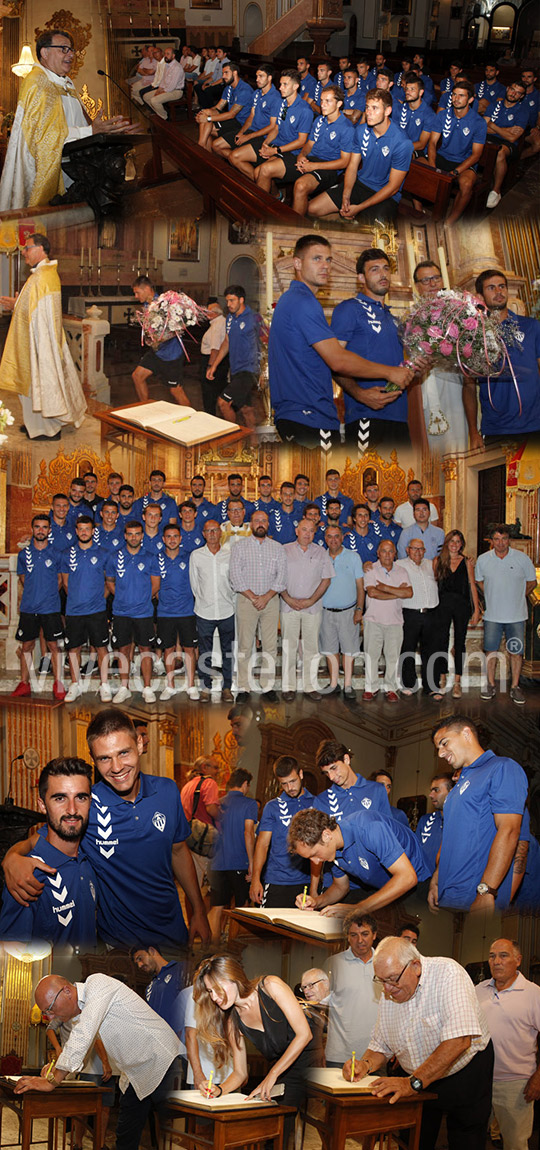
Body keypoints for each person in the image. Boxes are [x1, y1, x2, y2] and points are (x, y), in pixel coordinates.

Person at [3, 708, 211, 948]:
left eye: (124, 753)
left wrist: (197, 910)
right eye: (104, 758)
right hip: (118, 944)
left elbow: (178, 850)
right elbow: (43, 838)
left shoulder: (167, 790)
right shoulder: (86, 803)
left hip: (173, 932)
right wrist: (12, 858)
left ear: (140, 744)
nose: (116, 767)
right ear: (94, 759)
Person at [344, 936, 493, 1150]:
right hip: (417, 1078)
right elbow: (380, 1045)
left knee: (465, 1140)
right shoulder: (390, 993)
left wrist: (412, 1083)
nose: (387, 989)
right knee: (413, 1139)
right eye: (381, 981)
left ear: (415, 966)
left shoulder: (448, 974)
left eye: (393, 979)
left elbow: (460, 1039)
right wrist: (364, 1064)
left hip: (465, 1072)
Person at [268, 234, 411, 449]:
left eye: (328, 260)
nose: (325, 266)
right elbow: (337, 360)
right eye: (316, 259)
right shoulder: (304, 302)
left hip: (308, 415)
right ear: (297, 263)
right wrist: (388, 373)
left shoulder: (296, 300)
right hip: (308, 414)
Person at [14, 972, 182, 1150]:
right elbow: (81, 1047)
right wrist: (55, 1067)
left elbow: (83, 1035)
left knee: (171, 1137)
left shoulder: (97, 983)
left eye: (50, 1009)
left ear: (67, 991)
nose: (50, 1017)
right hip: (134, 1074)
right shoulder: (79, 1015)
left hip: (163, 1060)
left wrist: (51, 1081)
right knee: (125, 1138)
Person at [0, 29, 135, 210]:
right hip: (51, 169)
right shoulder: (37, 82)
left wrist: (114, 132)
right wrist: (91, 131)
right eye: (63, 49)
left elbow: (87, 122)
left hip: (76, 165)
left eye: (71, 50)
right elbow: (43, 135)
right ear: (44, 53)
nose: (70, 54)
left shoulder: (66, 83)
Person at [193, 953, 317, 1143]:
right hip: (283, 1071)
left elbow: (304, 1034)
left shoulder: (270, 986)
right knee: (267, 1134)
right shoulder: (232, 1022)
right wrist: (218, 1089)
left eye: (217, 989)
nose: (215, 997)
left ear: (233, 977)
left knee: (277, 1130)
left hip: (310, 1061)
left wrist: (272, 1075)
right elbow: (240, 1073)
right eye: (210, 992)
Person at [429, 714, 528, 912]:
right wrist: (437, 880)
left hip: (475, 895)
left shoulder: (502, 768)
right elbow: (451, 839)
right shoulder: (457, 788)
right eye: (438, 748)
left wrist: (487, 891)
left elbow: (509, 831)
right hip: (449, 895)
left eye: (444, 743)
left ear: (466, 733)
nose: (440, 753)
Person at [0, 757, 96, 947]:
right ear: (42, 805)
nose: (72, 810)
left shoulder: (90, 856)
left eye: (81, 797)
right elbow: (11, 955)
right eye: (60, 798)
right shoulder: (28, 876)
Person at [0, 234, 87, 440]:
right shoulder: (44, 274)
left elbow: (37, 310)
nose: (24, 252)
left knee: (38, 384)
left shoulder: (42, 277)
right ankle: (36, 425)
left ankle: (46, 430)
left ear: (40, 249)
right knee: (33, 386)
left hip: (39, 343)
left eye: (27, 248)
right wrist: (18, 302)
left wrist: (17, 304)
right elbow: (34, 306)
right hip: (39, 339)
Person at [331, 248, 416, 451]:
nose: (383, 274)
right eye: (374, 269)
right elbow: (333, 361)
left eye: (386, 268)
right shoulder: (349, 309)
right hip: (365, 415)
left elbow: (402, 369)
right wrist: (359, 393)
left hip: (399, 417)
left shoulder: (395, 319)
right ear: (361, 277)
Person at [288, 807, 429, 917]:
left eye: (315, 855)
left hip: (419, 887)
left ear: (326, 835)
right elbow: (340, 887)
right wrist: (316, 901)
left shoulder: (369, 828)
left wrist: (359, 908)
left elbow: (407, 878)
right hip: (386, 889)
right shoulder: (332, 849)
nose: (316, 862)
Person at [308, 89, 414, 222]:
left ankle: (352, 222)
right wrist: (346, 197)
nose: (368, 113)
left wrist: (359, 208)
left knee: (375, 236)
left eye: (374, 108)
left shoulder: (402, 142)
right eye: (367, 108)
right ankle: (348, 221)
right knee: (312, 209)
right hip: (361, 184)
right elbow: (352, 166)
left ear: (387, 111)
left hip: (385, 194)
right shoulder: (361, 131)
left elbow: (393, 188)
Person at [476, 938, 540, 1150]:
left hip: (516, 1085)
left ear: (518, 960)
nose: (496, 961)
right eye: (492, 956)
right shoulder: (478, 991)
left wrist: (538, 1078)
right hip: (479, 1082)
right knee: (472, 1138)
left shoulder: (534, 994)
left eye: (504, 956)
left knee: (515, 1144)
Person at [464, 269, 540, 438]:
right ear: (480, 297)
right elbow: (468, 385)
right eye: (491, 288)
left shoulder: (531, 326)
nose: (499, 292)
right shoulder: (474, 335)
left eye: (502, 286)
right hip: (496, 428)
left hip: (535, 424)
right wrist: (473, 432)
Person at [412, 261, 477, 450]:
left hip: (454, 385)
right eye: (425, 280)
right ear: (416, 286)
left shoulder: (460, 313)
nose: (432, 283)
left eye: (436, 278)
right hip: (425, 387)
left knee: (458, 444)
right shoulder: (410, 319)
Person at [475, 523, 537, 704]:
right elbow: (479, 582)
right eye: (496, 539)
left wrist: (518, 595)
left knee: (516, 653)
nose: (500, 543)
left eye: (504, 539)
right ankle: (490, 685)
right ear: (491, 541)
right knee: (490, 651)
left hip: (516, 616)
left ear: (509, 540)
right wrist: (492, 594)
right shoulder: (483, 560)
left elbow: (532, 582)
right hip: (493, 616)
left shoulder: (522, 559)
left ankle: (515, 686)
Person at [229, 509, 287, 703]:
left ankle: (267, 686)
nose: (260, 523)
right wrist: (254, 597)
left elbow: (282, 576)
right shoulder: (239, 547)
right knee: (245, 645)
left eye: (264, 521)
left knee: (270, 645)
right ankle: (244, 687)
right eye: (256, 521)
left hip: (270, 601)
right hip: (247, 601)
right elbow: (235, 576)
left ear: (268, 524)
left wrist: (267, 596)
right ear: (251, 524)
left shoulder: (278, 547)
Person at [105, 520, 160, 704]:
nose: (134, 537)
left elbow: (156, 584)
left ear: (142, 535)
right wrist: (122, 596)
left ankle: (147, 687)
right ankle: (124, 688)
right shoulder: (115, 557)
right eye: (130, 534)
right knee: (124, 649)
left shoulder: (151, 557)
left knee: (145, 650)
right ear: (125, 535)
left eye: (137, 534)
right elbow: (110, 581)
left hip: (143, 612)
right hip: (121, 612)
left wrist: (141, 599)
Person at [12, 515, 65, 701]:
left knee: (54, 646)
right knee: (27, 645)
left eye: (44, 527)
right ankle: (24, 683)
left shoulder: (57, 554)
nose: (41, 530)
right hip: (29, 607)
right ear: (32, 529)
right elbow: (23, 579)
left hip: (50, 607)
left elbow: (60, 579)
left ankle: (58, 684)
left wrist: (48, 594)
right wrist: (35, 593)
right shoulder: (23, 555)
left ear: (49, 530)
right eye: (37, 527)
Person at [280, 519, 335, 701]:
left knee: (312, 647)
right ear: (297, 531)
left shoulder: (321, 552)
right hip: (289, 606)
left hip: (313, 607)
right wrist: (288, 598)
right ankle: (288, 687)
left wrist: (311, 600)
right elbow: (277, 578)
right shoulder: (284, 550)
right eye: (304, 530)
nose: (307, 534)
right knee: (290, 646)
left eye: (311, 531)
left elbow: (326, 579)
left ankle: (310, 686)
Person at [249, 756, 313, 908]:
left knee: (300, 930)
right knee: (270, 930)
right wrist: (255, 879)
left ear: (301, 774)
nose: (290, 788)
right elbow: (262, 845)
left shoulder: (316, 803)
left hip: (305, 882)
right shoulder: (272, 807)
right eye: (284, 784)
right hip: (275, 880)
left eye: (293, 781)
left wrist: (315, 888)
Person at [60, 516, 110, 703]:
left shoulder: (103, 553)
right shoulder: (67, 554)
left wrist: (98, 599)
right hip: (74, 611)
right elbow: (65, 583)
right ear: (76, 531)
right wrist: (77, 599)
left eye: (87, 529)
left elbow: (109, 581)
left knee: (101, 647)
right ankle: (75, 684)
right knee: (74, 649)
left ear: (92, 531)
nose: (83, 532)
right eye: (80, 529)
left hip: (97, 609)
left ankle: (104, 685)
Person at [426, 79, 487, 225]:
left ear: (470, 99)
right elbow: (432, 142)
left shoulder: (478, 122)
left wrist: (456, 171)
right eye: (454, 95)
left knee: (466, 184)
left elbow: (476, 154)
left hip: (463, 161)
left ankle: (449, 222)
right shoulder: (442, 115)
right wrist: (432, 166)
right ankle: (418, 211)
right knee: (416, 167)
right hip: (443, 156)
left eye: (461, 95)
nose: (456, 99)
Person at [324, 912, 381, 1068]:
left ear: (374, 935)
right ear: (347, 937)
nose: (360, 940)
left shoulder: (385, 963)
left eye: (365, 934)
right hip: (339, 1055)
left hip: (376, 1056)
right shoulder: (332, 963)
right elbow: (319, 1004)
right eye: (354, 935)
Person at [207, 768, 258, 942]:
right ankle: (233, 942)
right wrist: (252, 863)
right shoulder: (249, 804)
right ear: (245, 784)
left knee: (217, 906)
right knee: (241, 904)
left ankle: (212, 945)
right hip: (239, 861)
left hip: (216, 862)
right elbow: (248, 833)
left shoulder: (218, 803)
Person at [431, 530, 481, 699]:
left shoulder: (467, 562)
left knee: (460, 642)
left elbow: (472, 586)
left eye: (458, 541)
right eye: (452, 541)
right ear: (447, 543)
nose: (454, 544)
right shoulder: (438, 561)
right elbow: (434, 585)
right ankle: (442, 676)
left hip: (462, 606)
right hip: (442, 605)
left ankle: (458, 680)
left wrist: (476, 609)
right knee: (441, 641)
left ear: (462, 544)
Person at [190, 519, 235, 703]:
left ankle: (227, 688)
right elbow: (194, 584)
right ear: (203, 533)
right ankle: (205, 688)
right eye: (208, 531)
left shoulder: (230, 554)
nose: (212, 534)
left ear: (220, 532)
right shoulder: (196, 555)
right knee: (205, 652)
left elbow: (234, 581)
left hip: (226, 610)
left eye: (215, 530)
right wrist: (203, 601)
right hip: (204, 612)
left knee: (227, 652)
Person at [291, 85, 355, 216]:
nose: (323, 105)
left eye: (328, 101)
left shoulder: (347, 128)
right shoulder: (319, 120)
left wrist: (313, 166)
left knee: (301, 185)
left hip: (328, 168)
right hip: (311, 160)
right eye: (321, 100)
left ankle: (295, 228)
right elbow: (309, 144)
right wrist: (302, 155)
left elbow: (344, 162)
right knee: (268, 168)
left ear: (339, 104)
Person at [362, 539, 412, 702]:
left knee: (393, 657)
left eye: (390, 551)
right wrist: (397, 592)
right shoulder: (370, 568)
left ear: (395, 553)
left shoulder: (402, 571)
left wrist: (383, 587)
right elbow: (372, 593)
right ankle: (371, 688)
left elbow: (409, 593)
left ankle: (391, 688)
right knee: (372, 656)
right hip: (373, 619)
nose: (387, 554)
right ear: (378, 553)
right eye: (384, 551)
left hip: (395, 621)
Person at [206, 284, 260, 427]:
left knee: (223, 402)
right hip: (236, 369)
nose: (228, 304)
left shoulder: (253, 318)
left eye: (232, 301)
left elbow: (266, 340)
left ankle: (234, 437)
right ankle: (254, 444)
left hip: (249, 370)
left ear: (241, 300)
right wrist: (214, 366)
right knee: (246, 409)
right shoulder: (229, 318)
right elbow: (226, 342)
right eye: (227, 301)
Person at [131, 276, 190, 406]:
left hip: (171, 355)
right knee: (137, 376)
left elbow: (177, 329)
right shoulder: (147, 305)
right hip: (157, 352)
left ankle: (192, 418)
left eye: (137, 292)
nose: (136, 296)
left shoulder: (164, 304)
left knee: (176, 391)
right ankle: (145, 409)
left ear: (147, 289)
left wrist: (160, 337)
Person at [252, 68, 313, 194]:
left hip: (294, 153)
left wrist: (275, 150)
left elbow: (301, 141)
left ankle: (261, 209)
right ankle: (275, 196)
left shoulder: (304, 110)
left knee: (263, 170)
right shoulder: (284, 105)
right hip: (279, 146)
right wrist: (266, 143)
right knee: (257, 172)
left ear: (296, 86)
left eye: (285, 84)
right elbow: (276, 127)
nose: (280, 88)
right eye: (280, 84)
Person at [320, 524, 364, 700]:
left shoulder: (353, 557)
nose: (333, 540)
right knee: (330, 649)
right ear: (325, 539)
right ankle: (333, 684)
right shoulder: (320, 557)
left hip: (348, 610)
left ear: (342, 537)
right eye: (329, 536)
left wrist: (359, 609)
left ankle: (347, 685)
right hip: (325, 611)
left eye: (336, 536)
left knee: (349, 648)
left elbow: (360, 587)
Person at [399, 539, 440, 697]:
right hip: (410, 613)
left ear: (425, 550)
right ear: (408, 550)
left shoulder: (431, 564)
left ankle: (431, 687)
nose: (417, 552)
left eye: (421, 549)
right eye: (414, 549)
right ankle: (409, 684)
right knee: (407, 649)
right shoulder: (399, 565)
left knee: (430, 651)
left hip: (431, 613)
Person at [227, 66, 282, 179]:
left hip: (263, 135)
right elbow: (251, 115)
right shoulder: (256, 93)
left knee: (234, 156)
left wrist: (248, 136)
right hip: (252, 130)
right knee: (218, 145)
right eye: (257, 76)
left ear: (270, 78)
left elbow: (272, 126)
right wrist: (242, 132)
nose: (257, 79)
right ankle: (247, 175)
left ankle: (260, 183)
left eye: (261, 76)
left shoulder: (276, 97)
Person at [484, 80, 529, 208]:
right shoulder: (494, 105)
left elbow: (512, 137)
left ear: (521, 96)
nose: (513, 94)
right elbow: (482, 127)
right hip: (488, 137)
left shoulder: (522, 111)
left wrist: (492, 124)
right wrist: (506, 129)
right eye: (512, 90)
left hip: (508, 144)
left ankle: (496, 191)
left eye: (518, 93)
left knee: (500, 152)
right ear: (508, 88)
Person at [196, 62, 253, 154]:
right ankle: (203, 150)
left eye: (226, 73)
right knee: (206, 119)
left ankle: (201, 149)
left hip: (242, 124)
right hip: (233, 120)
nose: (223, 76)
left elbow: (231, 114)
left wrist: (208, 118)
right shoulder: (229, 88)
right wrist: (204, 113)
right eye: (223, 73)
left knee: (207, 123)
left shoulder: (244, 90)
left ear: (234, 73)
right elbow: (218, 107)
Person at [131, 944, 185, 1034]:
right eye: (137, 964)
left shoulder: (180, 969)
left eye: (140, 958)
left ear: (152, 951)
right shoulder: (149, 989)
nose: (139, 965)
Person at [415, 773, 453, 874]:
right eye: (431, 790)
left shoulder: (461, 822)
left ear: (451, 792)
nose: (431, 795)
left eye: (436, 790)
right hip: (423, 882)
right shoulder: (425, 821)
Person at [200, 299, 229, 414]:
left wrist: (210, 366)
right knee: (216, 391)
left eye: (207, 311)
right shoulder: (219, 322)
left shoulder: (218, 325)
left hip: (213, 360)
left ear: (215, 313)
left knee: (209, 394)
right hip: (219, 360)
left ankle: (210, 417)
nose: (205, 314)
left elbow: (215, 349)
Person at [141, 45, 185, 120]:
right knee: (146, 96)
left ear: (173, 56)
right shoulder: (167, 65)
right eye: (165, 54)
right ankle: (159, 114)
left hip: (176, 92)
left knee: (154, 100)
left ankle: (164, 117)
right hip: (167, 89)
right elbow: (163, 80)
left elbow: (172, 87)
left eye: (168, 54)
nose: (165, 56)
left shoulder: (177, 67)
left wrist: (160, 93)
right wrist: (158, 90)